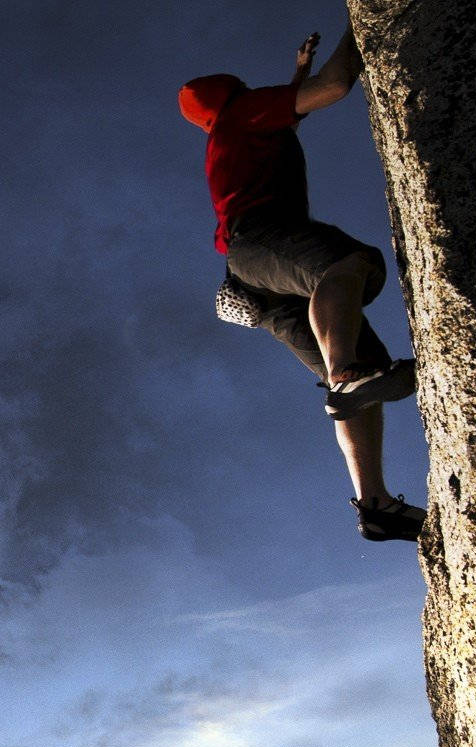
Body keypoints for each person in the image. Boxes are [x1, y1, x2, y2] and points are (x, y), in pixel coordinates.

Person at [181, 26, 425, 542]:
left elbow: (292, 119)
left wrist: (297, 76)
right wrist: (362, 25)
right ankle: (345, 376)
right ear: (234, 96)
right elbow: (335, 86)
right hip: (261, 244)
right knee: (351, 263)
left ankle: (375, 503)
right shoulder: (242, 115)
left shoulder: (235, 136)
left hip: (254, 281)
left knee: (367, 376)